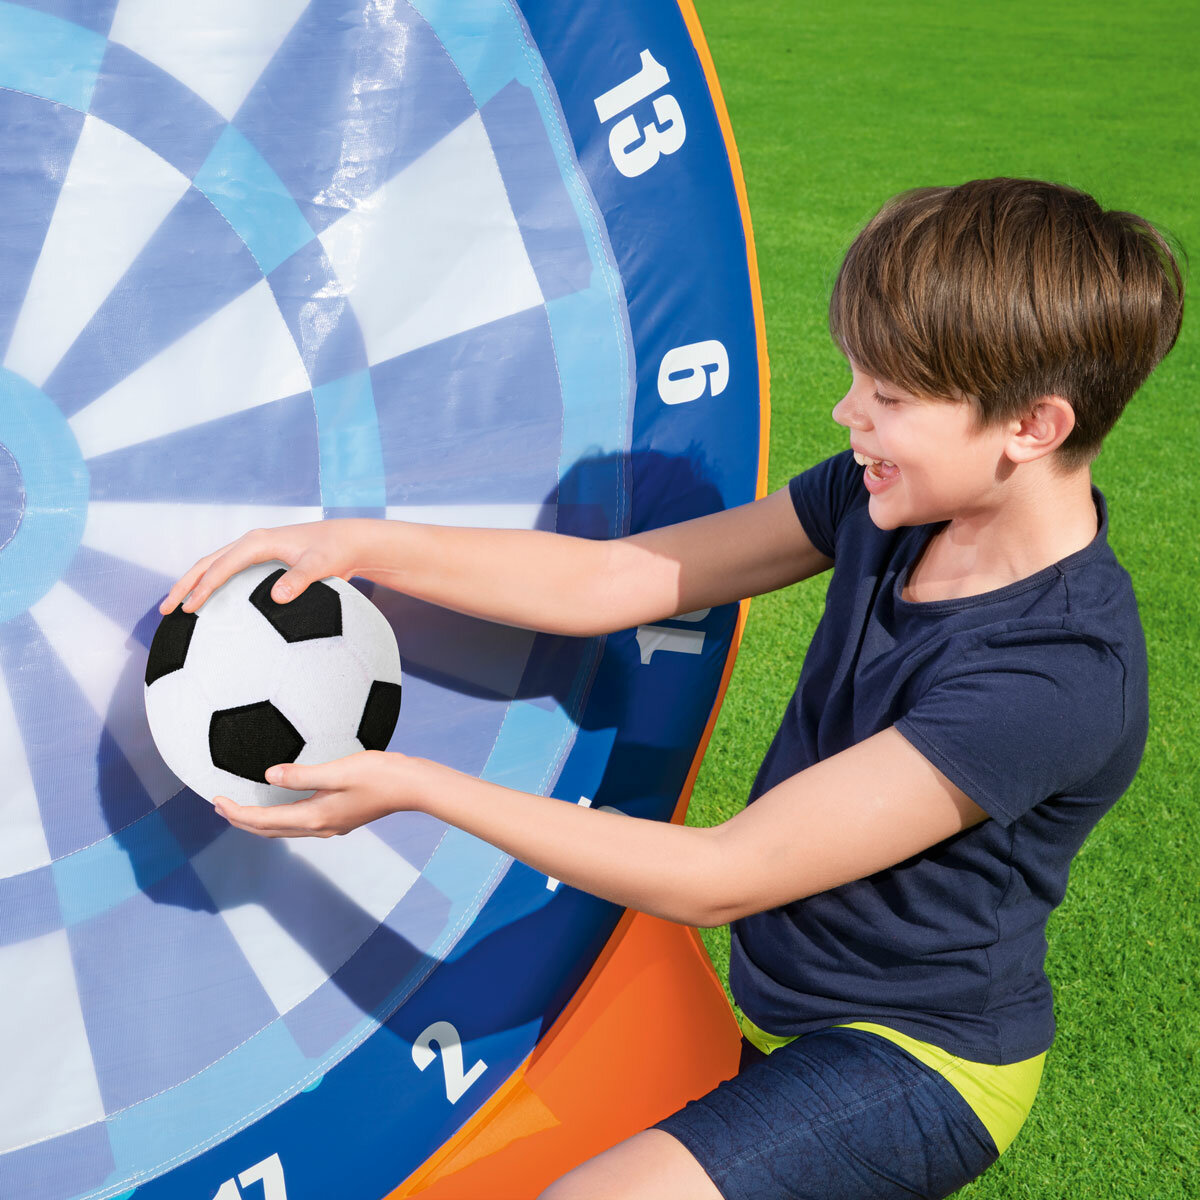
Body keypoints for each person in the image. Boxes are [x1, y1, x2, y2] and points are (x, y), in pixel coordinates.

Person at [159, 177, 1184, 1199]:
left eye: (892, 397)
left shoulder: (1054, 677)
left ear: (1035, 427)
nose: (846, 413)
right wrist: (356, 544)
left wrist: (418, 786)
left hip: (922, 1060)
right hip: (789, 994)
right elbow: (618, 580)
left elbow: (722, 876)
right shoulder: (888, 504)